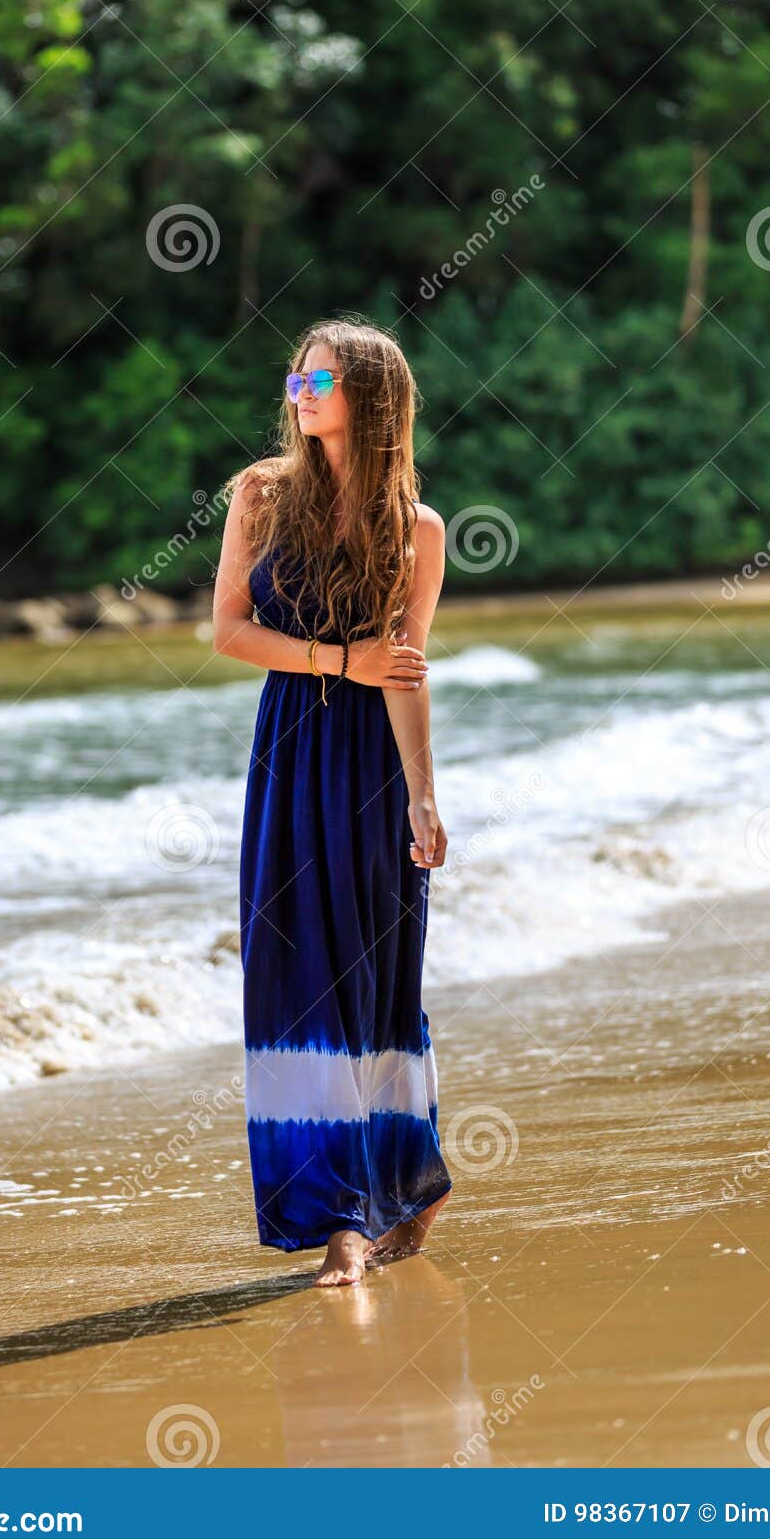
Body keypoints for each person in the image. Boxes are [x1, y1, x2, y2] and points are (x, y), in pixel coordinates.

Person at [212, 318, 452, 1286]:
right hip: (290, 755)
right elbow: (228, 632)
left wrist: (422, 800)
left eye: (318, 376)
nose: (299, 390)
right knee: (295, 972)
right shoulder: (260, 496)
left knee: (373, 974)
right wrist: (334, 659)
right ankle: (338, 1218)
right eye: (294, 375)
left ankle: (402, 1185)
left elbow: (404, 671)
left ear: (370, 393)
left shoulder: (416, 528)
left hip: (371, 768)